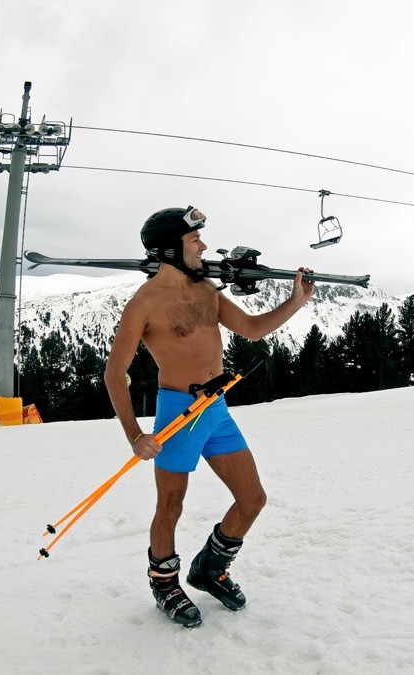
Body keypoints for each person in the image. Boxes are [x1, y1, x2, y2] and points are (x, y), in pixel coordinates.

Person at [103, 205, 316, 628]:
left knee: (252, 498)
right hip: (177, 413)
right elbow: (114, 373)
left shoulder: (206, 291)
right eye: (193, 240)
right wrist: (134, 435)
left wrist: (296, 301)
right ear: (169, 250)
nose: (202, 246)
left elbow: (252, 330)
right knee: (171, 505)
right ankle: (164, 583)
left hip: (215, 407)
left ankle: (208, 568)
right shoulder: (144, 303)